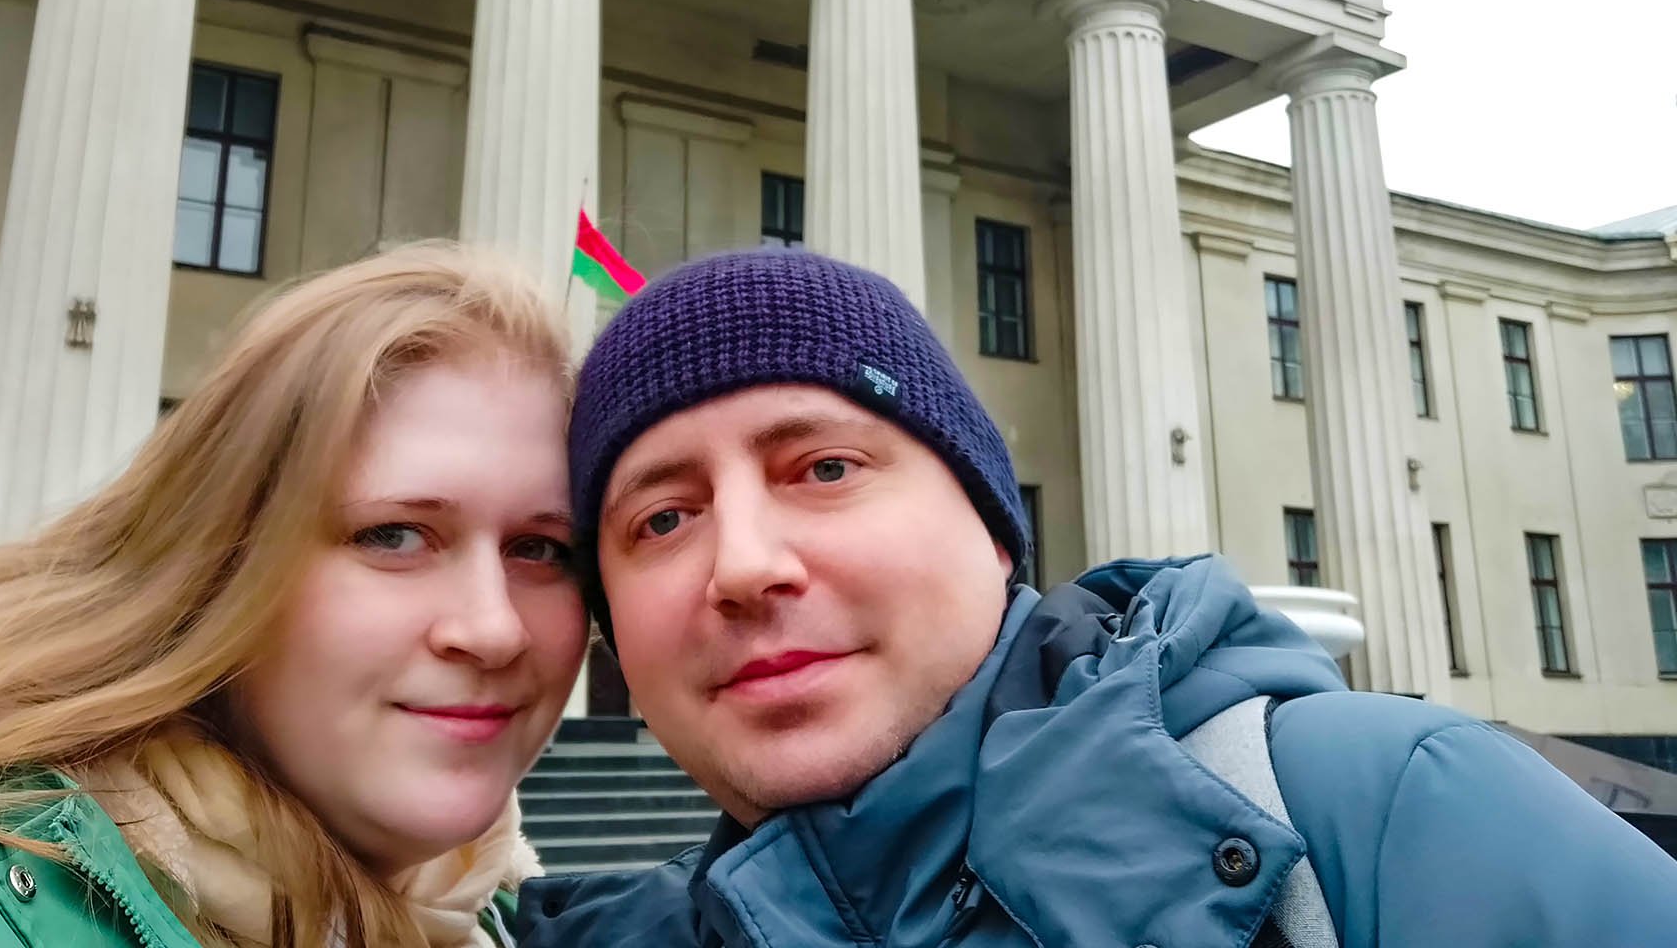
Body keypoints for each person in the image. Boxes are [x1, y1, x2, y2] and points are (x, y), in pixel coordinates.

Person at [519, 247, 1677, 947]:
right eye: (661, 519)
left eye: (824, 468)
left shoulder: (1390, 816)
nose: (742, 565)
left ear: (992, 532)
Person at [0, 243, 589, 948]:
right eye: (394, 535)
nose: (494, 629)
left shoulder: (519, 921)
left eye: (541, 549)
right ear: (219, 561)